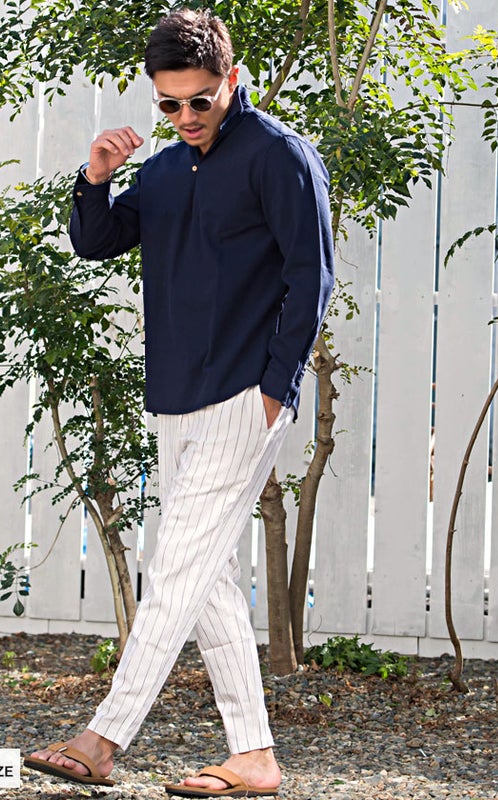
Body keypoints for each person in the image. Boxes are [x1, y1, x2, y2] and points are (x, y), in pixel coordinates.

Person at [23, 8, 334, 798]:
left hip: (245, 395)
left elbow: (312, 278)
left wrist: (278, 388)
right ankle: (254, 756)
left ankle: (103, 738)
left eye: (201, 99)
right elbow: (97, 241)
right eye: (170, 103)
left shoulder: (280, 156)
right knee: (207, 576)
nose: (187, 116)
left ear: (232, 79)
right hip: (176, 396)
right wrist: (96, 177)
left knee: (174, 568)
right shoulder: (162, 171)